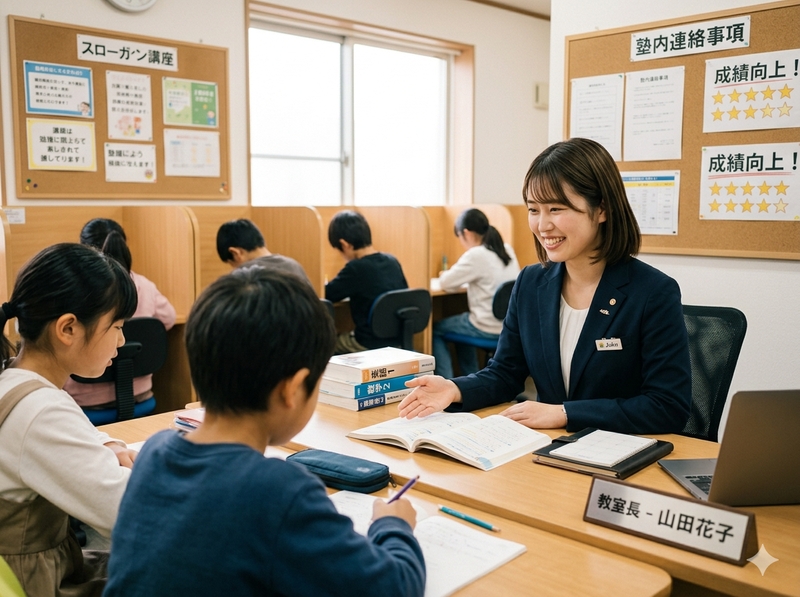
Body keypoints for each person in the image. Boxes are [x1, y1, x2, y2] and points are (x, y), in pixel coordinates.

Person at [103, 268, 426, 597]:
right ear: (293, 389)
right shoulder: (280, 492)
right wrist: (393, 524)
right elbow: (394, 587)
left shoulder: (154, 452)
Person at [399, 138, 691, 435]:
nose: (542, 225)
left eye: (555, 209)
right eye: (534, 210)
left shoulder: (653, 292)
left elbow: (668, 406)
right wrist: (454, 389)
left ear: (601, 209)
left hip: (617, 449)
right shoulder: (531, 283)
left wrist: (565, 414)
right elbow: (505, 373)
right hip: (546, 448)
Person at [0, 243, 139, 596]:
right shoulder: (41, 410)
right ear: (67, 329)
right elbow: (129, 511)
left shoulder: (15, 378)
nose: (122, 340)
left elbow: (58, 432)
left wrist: (106, 443)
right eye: (117, 326)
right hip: (33, 581)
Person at [62, 218, 177, 410]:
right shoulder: (144, 285)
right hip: (139, 394)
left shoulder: (75, 288)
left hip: (85, 402)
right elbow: (169, 318)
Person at [433, 208, 520, 379]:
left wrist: (445, 274)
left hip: (486, 326)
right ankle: (470, 379)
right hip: (509, 325)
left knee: (436, 330)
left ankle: (447, 381)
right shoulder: (506, 249)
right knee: (460, 328)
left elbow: (445, 283)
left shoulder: (476, 254)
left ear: (466, 233)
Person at [325, 210, 408, 354]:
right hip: (396, 341)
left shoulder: (355, 268)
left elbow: (327, 295)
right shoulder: (392, 261)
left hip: (368, 344)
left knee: (326, 345)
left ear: (344, 244)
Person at [216, 218, 312, 286]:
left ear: (236, 253)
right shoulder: (293, 265)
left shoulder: (243, 275)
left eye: (232, 264)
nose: (235, 268)